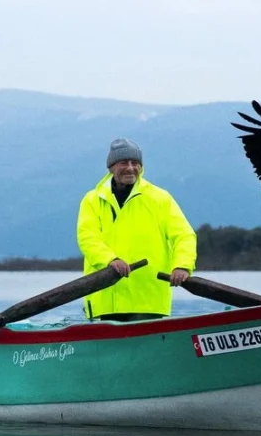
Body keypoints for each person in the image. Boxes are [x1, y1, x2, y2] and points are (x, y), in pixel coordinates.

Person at [76, 138, 197, 322]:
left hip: (148, 298)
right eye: (124, 163)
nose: (130, 168)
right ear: (111, 167)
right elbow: (87, 238)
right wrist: (110, 260)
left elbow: (184, 235)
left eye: (135, 163)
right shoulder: (92, 200)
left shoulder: (160, 198)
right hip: (105, 298)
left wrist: (182, 265)